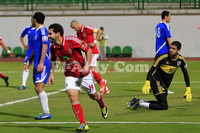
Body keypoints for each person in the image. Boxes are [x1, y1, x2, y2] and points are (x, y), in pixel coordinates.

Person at [48, 23, 108, 132]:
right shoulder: (53, 47)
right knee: (72, 97)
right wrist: (51, 74)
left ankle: (102, 103)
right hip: (70, 76)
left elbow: (88, 50)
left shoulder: (72, 40)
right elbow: (52, 60)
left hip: (83, 74)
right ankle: (83, 124)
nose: (48, 36)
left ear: (58, 34)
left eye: (50, 33)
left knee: (94, 96)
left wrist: (86, 65)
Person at [127, 41, 192, 110]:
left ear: (178, 50)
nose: (171, 50)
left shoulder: (181, 60)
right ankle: (139, 103)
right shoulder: (162, 57)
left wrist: (188, 89)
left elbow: (185, 74)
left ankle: (137, 101)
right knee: (164, 106)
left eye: (173, 48)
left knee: (161, 103)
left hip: (165, 85)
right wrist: (147, 82)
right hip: (156, 82)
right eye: (170, 48)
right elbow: (151, 70)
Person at [70, 20, 110, 95]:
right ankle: (104, 88)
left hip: (93, 52)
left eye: (74, 27)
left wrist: (94, 42)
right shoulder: (78, 32)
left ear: (78, 24)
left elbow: (99, 31)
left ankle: (101, 81)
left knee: (88, 69)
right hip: (87, 53)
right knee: (91, 71)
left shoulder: (87, 27)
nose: (74, 29)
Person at [25, 12, 52, 120]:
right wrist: (29, 61)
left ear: (34, 20)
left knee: (39, 87)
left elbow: (44, 46)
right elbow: (36, 49)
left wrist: (41, 63)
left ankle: (46, 112)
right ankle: (45, 112)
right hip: (37, 62)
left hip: (43, 63)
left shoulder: (43, 30)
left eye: (32, 19)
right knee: (37, 88)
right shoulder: (36, 32)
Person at [18, 18, 36, 90]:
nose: (33, 21)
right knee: (26, 66)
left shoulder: (40, 29)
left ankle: (39, 83)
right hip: (30, 50)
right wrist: (24, 45)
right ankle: (23, 84)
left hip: (38, 50)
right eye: (32, 20)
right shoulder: (27, 28)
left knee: (39, 66)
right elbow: (21, 36)